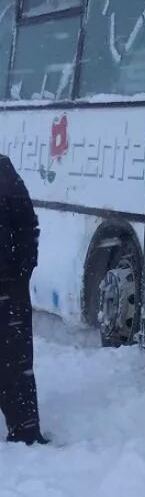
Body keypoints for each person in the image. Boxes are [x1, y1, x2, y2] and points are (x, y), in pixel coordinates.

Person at [0, 153, 47, 445]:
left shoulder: (2, 170)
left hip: (7, 286)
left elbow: (28, 224)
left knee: (14, 363)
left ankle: (25, 431)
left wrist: (20, 273)